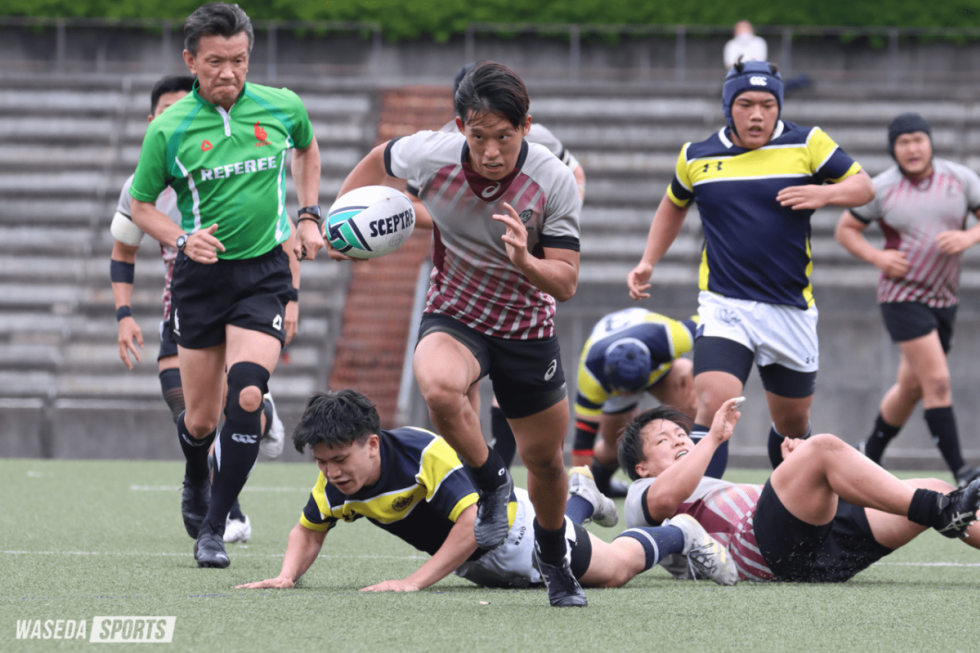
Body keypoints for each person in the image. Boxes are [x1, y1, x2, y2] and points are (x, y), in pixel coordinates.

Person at [327, 62, 584, 606]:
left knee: (546, 462)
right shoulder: (430, 153)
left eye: (504, 137)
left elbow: (565, 282)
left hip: (526, 326)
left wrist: (526, 261)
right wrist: (340, 221)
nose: (490, 151)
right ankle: (492, 484)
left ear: (527, 127)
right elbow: (378, 159)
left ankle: (554, 558)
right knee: (440, 387)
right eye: (478, 136)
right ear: (460, 126)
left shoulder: (553, 180)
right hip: (456, 311)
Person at [129, 3, 324, 568]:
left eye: (239, 60)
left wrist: (308, 214)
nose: (229, 72)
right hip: (201, 280)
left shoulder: (282, 106)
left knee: (247, 392)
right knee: (200, 420)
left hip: (264, 273)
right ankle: (196, 471)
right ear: (191, 60)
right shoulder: (169, 129)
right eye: (215, 61)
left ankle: (214, 528)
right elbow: (141, 206)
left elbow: (307, 148)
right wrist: (181, 238)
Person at [235, 390, 737, 601]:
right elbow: (309, 529)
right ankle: (580, 493)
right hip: (474, 565)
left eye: (339, 460)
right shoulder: (336, 479)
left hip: (520, 534)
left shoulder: (423, 454)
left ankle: (679, 533)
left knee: (617, 570)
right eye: (322, 463)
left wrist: (413, 582)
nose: (331, 473)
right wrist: (286, 575)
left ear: (370, 443)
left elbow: (472, 523)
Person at [627, 60, 875, 474]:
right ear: (729, 107)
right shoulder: (696, 156)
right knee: (713, 402)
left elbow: (864, 186)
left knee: (792, 424)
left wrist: (823, 194)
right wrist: (647, 261)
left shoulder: (808, 143)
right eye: (745, 105)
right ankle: (698, 505)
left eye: (767, 105)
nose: (757, 114)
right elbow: (674, 204)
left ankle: (790, 500)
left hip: (788, 308)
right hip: (725, 304)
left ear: (779, 107)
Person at [109, 74, 287, 544]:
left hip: (244, 295)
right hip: (185, 306)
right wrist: (124, 315)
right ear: (152, 122)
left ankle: (226, 513)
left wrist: (289, 298)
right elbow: (123, 252)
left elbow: (279, 231)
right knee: (192, 416)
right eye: (167, 113)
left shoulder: (228, 162)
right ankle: (214, 484)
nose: (179, 119)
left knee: (242, 398)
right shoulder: (139, 188)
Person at [618, 401, 980, 583]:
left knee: (934, 487)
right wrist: (711, 438)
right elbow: (666, 499)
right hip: (760, 550)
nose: (679, 440)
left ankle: (941, 506)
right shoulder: (640, 493)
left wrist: (796, 470)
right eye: (663, 440)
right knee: (822, 447)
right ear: (642, 468)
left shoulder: (704, 483)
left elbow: (766, 509)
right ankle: (941, 509)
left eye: (682, 434)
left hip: (808, 546)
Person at [440, 63, 588, 479]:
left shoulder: (539, 142)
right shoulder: (444, 145)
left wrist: (555, 220)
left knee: (512, 389)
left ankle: (497, 470)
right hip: (466, 271)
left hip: (524, 277)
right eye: (476, 125)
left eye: (500, 130)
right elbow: (413, 198)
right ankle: (479, 470)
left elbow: (574, 172)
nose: (489, 144)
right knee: (458, 380)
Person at [835, 113, 980, 487]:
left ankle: (870, 452)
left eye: (918, 139)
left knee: (911, 387)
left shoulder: (959, 179)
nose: (912, 148)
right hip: (902, 296)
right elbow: (846, 230)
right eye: (904, 142)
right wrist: (878, 257)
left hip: (944, 298)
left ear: (930, 142)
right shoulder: (881, 188)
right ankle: (962, 472)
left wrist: (968, 237)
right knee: (937, 381)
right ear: (893, 148)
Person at [570, 307, 698, 498]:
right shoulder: (591, 375)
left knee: (694, 393)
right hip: (620, 383)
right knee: (618, 448)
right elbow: (583, 441)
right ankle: (601, 485)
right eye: (627, 391)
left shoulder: (670, 337)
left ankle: (698, 476)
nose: (633, 394)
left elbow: (714, 323)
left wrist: (703, 371)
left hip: (663, 371)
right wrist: (580, 492)